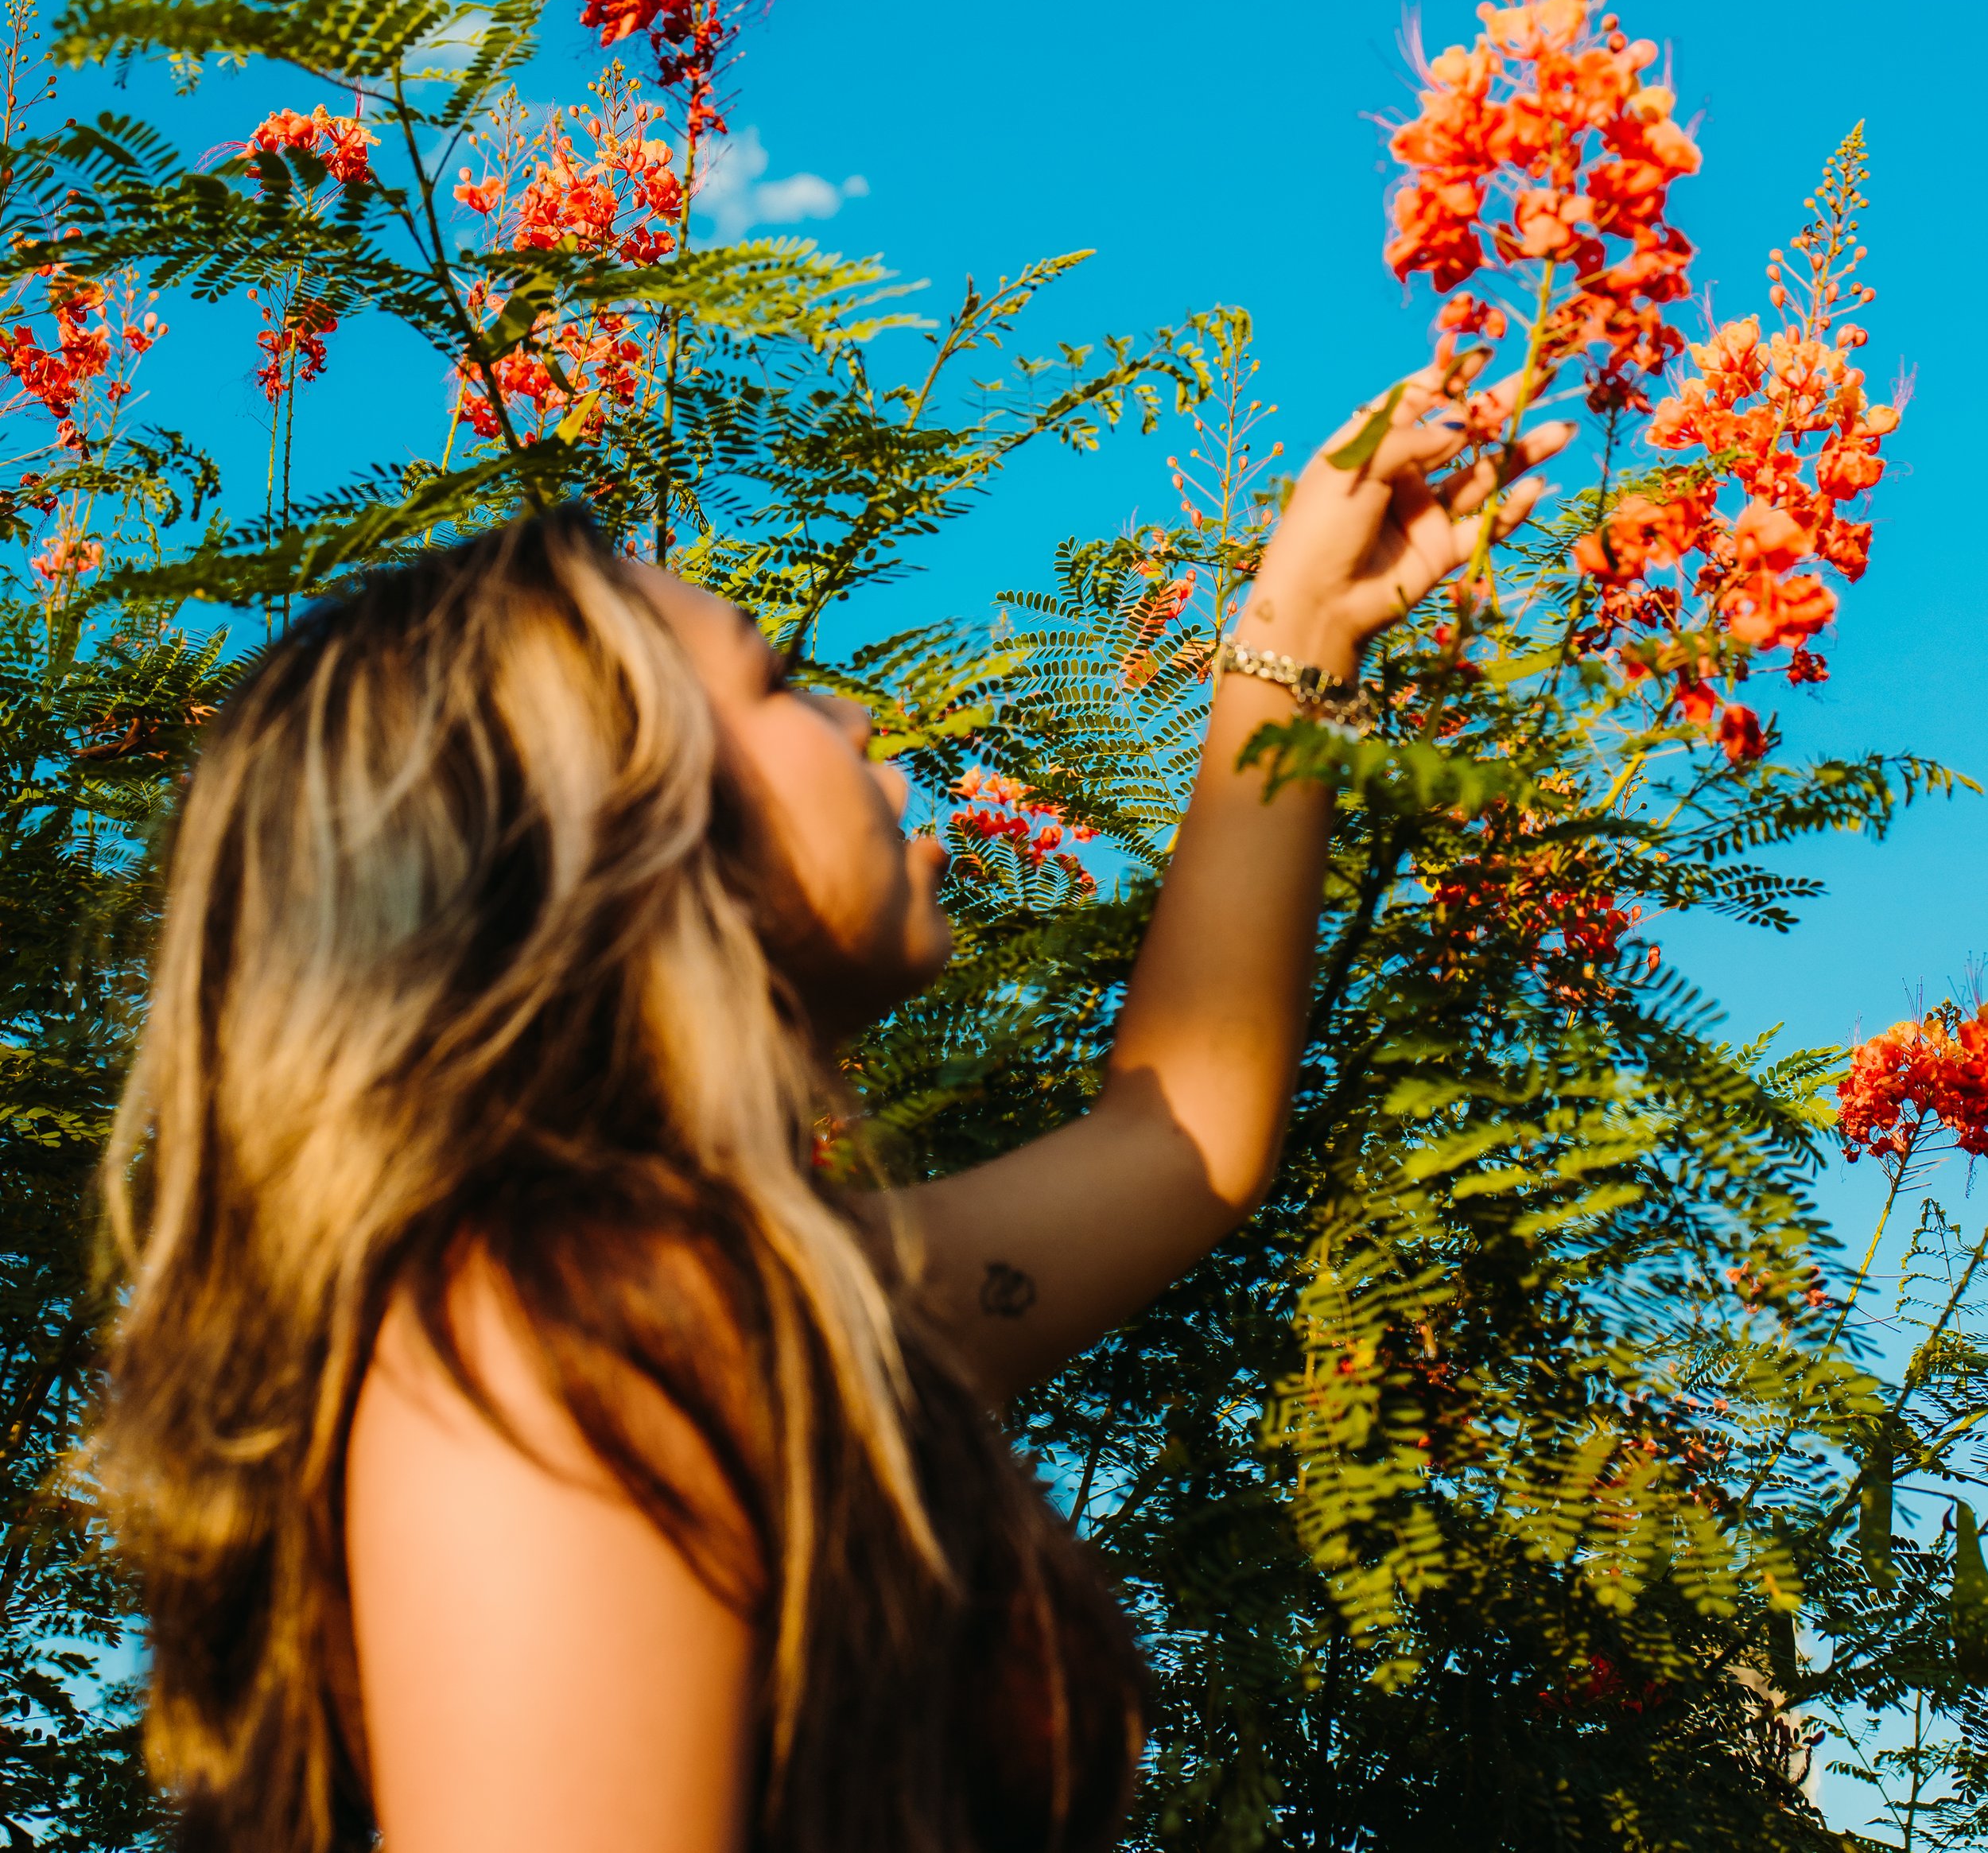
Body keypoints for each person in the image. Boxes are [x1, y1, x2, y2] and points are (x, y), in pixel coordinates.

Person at [93, 362, 1567, 1853]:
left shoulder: (758, 1298)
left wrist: (1296, 628)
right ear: (619, 831)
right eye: (772, 685)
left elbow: (1178, 1139)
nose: (855, 712)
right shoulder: (550, 1344)